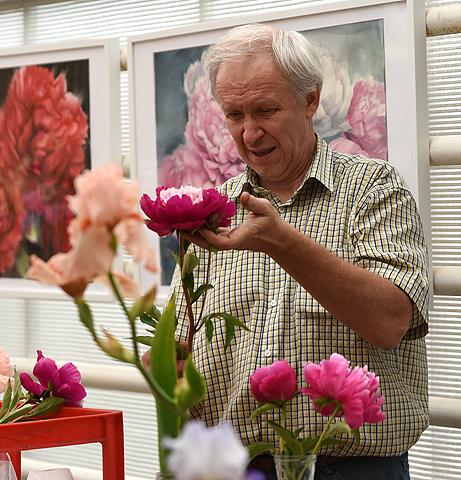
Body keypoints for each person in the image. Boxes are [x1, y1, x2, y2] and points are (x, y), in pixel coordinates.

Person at [168, 24, 429, 480]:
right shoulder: (214, 210)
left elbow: (391, 321)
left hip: (350, 470)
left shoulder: (372, 191)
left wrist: (283, 244)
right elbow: (177, 342)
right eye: (234, 114)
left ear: (311, 99)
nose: (250, 134)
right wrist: (163, 359)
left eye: (266, 110)